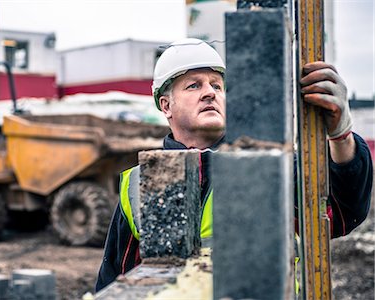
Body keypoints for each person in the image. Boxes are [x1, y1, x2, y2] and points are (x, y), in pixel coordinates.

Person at [95, 38, 373, 291]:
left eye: (217, 85)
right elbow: (117, 282)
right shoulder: (140, 185)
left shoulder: (267, 167)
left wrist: (341, 135)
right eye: (194, 85)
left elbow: (343, 211)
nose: (210, 93)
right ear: (166, 105)